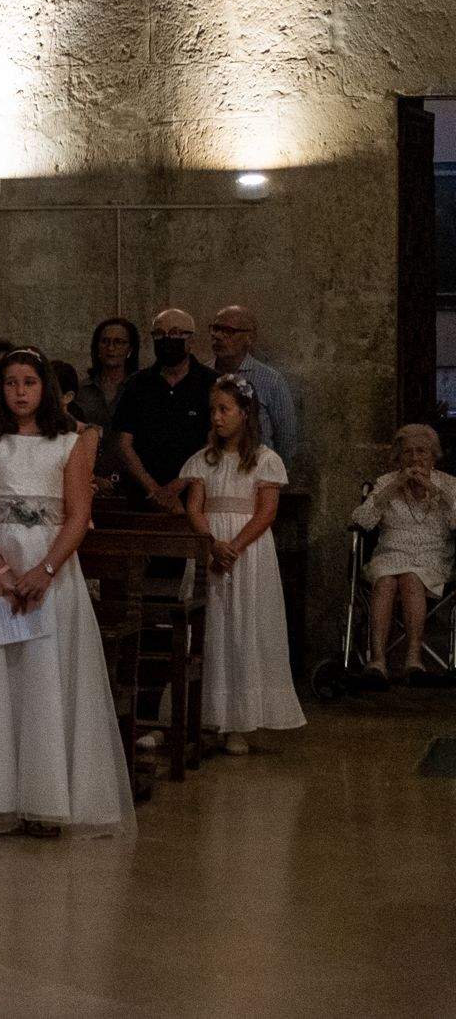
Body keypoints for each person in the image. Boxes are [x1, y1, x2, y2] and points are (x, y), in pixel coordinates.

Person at [0, 348, 134, 837]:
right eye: (11, 383)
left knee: (48, 675)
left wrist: (43, 570)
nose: (20, 392)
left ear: (46, 390)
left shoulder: (70, 443)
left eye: (30, 383)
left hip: (51, 571)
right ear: (0, 390)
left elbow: (78, 516)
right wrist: (1, 572)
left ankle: (47, 798)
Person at [179, 375, 305, 752]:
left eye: (225, 409)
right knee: (210, 626)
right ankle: (203, 715)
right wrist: (213, 543)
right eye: (213, 410)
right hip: (211, 546)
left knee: (243, 628)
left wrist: (233, 546)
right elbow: (194, 506)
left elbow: (266, 513)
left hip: (248, 553)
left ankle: (240, 722)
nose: (217, 418)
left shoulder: (265, 460)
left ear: (244, 413)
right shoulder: (203, 459)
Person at [352, 424, 456, 686]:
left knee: (410, 578)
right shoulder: (387, 482)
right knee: (385, 580)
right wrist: (391, 490)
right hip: (390, 553)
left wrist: (437, 493)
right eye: (407, 452)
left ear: (433, 455)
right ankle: (377, 662)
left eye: (421, 451)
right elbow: (361, 521)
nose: (415, 458)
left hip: (431, 556)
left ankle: (413, 658)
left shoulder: (449, 484)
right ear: (398, 457)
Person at [110, 308, 215, 511]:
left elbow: (214, 443)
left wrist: (178, 485)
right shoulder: (136, 384)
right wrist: (153, 488)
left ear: (190, 340)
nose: (167, 339)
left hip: (196, 496)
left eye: (175, 333)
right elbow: (123, 443)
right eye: (159, 334)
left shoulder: (211, 383)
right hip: (142, 495)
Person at [208, 305, 299, 467]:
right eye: (215, 329)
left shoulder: (271, 381)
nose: (218, 336)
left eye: (228, 331)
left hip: (256, 475)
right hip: (211, 472)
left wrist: (272, 474)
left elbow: (286, 437)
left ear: (249, 337)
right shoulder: (203, 375)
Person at [73, 317, 139, 430]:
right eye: (105, 341)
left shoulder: (139, 388)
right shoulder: (81, 390)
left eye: (118, 342)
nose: (110, 347)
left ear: (130, 349)